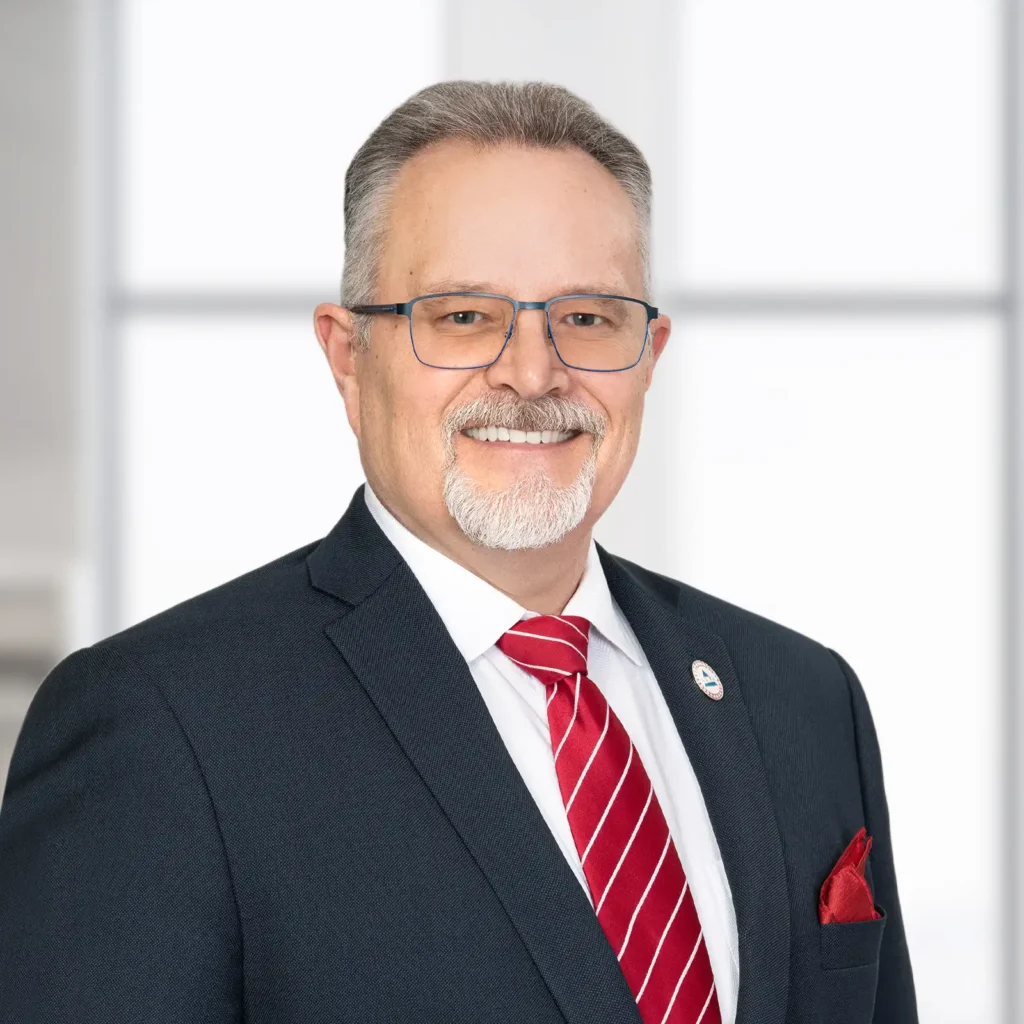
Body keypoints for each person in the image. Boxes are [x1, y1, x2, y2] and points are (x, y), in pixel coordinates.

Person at [0, 80, 916, 1024]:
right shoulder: (162, 727)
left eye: (589, 317)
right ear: (349, 357)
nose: (531, 372)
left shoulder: (804, 700)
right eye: (464, 317)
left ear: (650, 354)